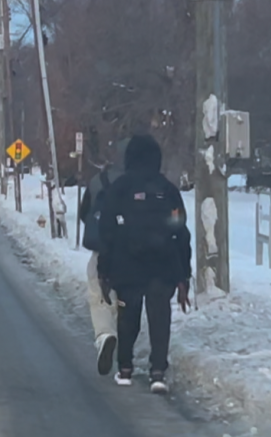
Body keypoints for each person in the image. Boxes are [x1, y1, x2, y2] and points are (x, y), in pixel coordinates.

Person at [96, 133, 192, 394]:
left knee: (128, 315)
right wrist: (184, 276)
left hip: (126, 268)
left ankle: (125, 368)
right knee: (160, 316)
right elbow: (181, 233)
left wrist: (104, 270)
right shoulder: (168, 191)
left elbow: (106, 232)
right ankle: (158, 371)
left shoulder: (119, 189)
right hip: (163, 267)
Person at [78, 137, 128, 376]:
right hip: (134, 251)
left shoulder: (99, 180)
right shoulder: (142, 182)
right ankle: (127, 349)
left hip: (103, 250)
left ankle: (106, 334)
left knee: (99, 295)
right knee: (128, 299)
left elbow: (83, 213)